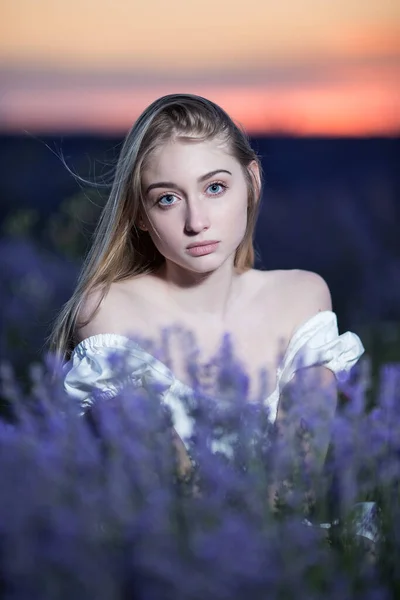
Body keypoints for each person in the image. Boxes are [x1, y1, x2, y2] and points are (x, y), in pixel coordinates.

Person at [49, 93, 367, 516]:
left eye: (214, 187)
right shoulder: (108, 310)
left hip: (289, 549)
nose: (196, 221)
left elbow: (296, 491)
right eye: (167, 198)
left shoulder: (301, 296)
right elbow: (183, 499)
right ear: (140, 214)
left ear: (251, 182)